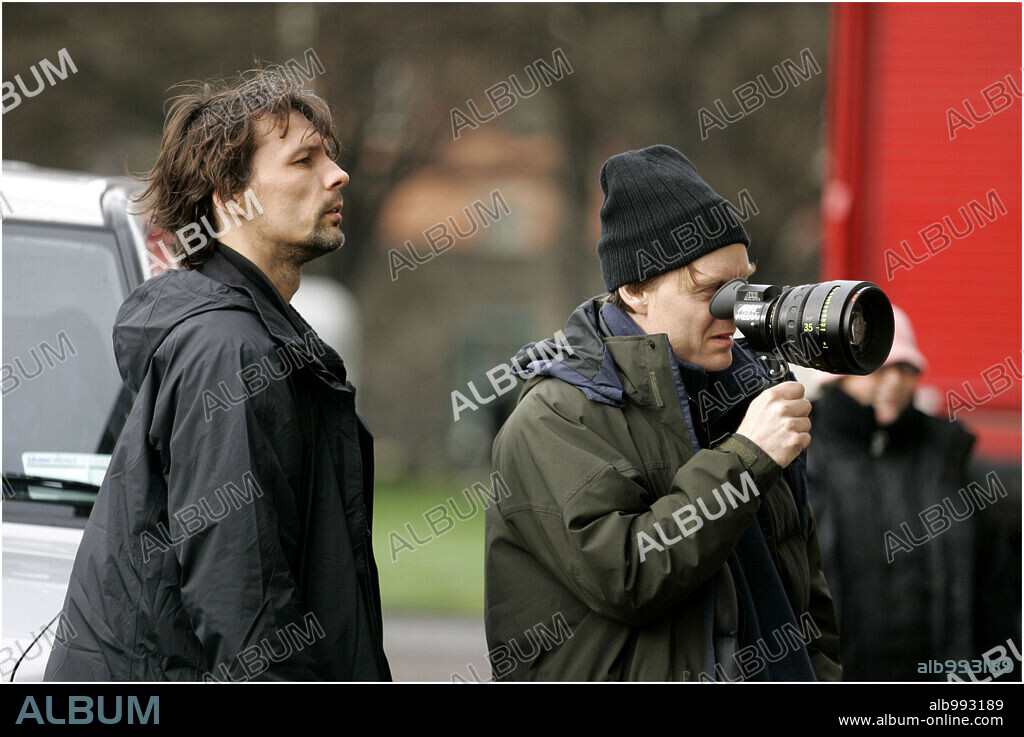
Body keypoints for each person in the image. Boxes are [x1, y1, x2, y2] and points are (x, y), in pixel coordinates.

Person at [44, 66, 391, 681]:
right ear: (228, 197)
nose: (338, 174)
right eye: (303, 159)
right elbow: (244, 599)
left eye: (330, 157)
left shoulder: (255, 333)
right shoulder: (227, 348)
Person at [484, 145, 841, 681]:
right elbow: (628, 572)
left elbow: (803, 590)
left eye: (743, 285)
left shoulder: (748, 395)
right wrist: (747, 460)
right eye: (711, 291)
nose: (736, 310)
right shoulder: (556, 416)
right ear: (634, 289)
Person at [807, 306, 976, 681]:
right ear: (839, 376)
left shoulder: (945, 454)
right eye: (880, 367)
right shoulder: (798, 454)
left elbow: (990, 585)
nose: (895, 381)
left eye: (906, 369)